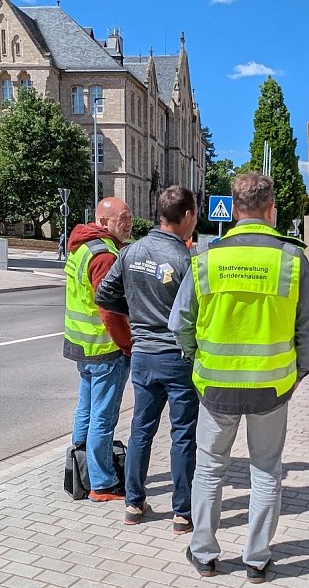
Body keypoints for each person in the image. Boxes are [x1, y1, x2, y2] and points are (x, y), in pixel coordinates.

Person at [169, 173, 309, 584]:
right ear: (271, 210)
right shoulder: (292, 260)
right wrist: (296, 374)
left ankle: (204, 554)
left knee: (210, 470)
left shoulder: (206, 258)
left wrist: (196, 360)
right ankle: (257, 559)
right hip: (271, 388)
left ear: (234, 211)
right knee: (266, 471)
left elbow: (178, 322)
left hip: (215, 387)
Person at [95, 186, 200, 533]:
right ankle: (182, 513)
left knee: (141, 429)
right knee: (183, 434)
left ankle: (133, 504)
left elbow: (104, 294)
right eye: (195, 214)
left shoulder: (130, 252)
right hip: (177, 356)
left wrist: (138, 315)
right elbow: (197, 313)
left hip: (143, 355)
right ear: (185, 216)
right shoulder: (187, 261)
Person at [63, 197, 133, 502]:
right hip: (105, 349)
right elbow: (110, 310)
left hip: (83, 346)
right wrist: (127, 344)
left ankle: (80, 468)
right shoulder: (104, 255)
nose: (128, 223)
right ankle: (102, 483)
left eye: (129, 217)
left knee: (86, 410)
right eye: (123, 218)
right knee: (103, 417)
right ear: (104, 222)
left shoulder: (83, 246)